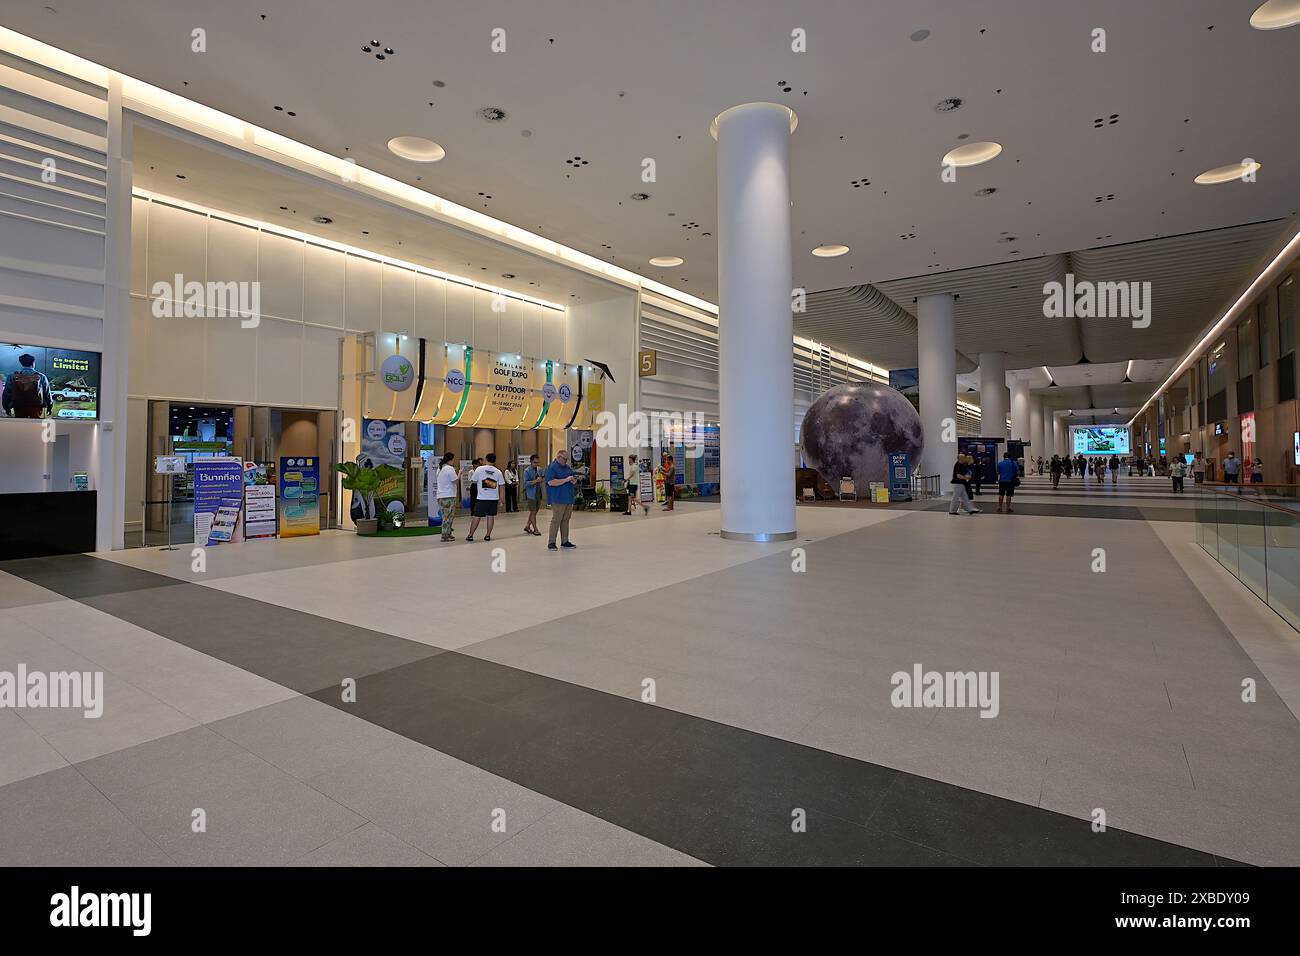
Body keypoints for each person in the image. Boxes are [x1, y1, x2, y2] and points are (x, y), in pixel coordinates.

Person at [544, 449, 579, 549]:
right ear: (558, 457)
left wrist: (573, 480)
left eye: (567, 459)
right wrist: (565, 480)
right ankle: (551, 542)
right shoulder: (552, 467)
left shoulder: (567, 467)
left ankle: (565, 541)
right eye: (564, 459)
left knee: (566, 520)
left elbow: (572, 477)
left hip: (568, 498)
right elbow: (551, 482)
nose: (566, 461)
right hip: (558, 498)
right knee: (556, 520)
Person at [466, 453, 503, 542]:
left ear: (486, 459)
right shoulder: (498, 472)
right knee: (490, 517)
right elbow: (502, 487)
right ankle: (487, 535)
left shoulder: (479, 469)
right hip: (493, 498)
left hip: (482, 498)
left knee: (476, 516)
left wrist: (485, 481)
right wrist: (502, 500)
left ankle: (470, 535)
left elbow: (474, 480)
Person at [2, 352, 52, 419]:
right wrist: (49, 406)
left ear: (21, 363)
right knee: (35, 426)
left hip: (18, 406)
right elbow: (47, 393)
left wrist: (6, 407)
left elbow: (6, 394)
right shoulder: (41, 376)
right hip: (36, 407)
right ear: (33, 363)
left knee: (20, 424)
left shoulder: (12, 376)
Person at [430, 452, 459, 542]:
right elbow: (455, 481)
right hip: (449, 496)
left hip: (440, 496)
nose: (453, 461)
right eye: (453, 459)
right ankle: (445, 535)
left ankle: (447, 533)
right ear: (450, 460)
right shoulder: (450, 469)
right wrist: (460, 473)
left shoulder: (440, 468)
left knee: (445, 516)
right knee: (448, 517)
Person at [522, 453, 544, 535]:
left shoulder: (540, 469)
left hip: (538, 493)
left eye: (538, 462)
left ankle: (527, 526)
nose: (536, 464)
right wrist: (535, 481)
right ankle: (535, 529)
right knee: (533, 511)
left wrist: (541, 479)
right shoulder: (527, 471)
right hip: (531, 494)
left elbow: (543, 478)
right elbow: (526, 484)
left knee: (534, 512)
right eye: (535, 462)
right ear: (531, 462)